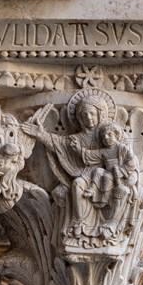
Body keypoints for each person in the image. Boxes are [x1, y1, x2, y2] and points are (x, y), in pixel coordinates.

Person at [21, 95, 109, 240]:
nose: (89, 117)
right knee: (77, 184)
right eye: (84, 114)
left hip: (103, 178)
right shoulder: (76, 139)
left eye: (92, 113)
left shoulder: (107, 134)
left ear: (100, 114)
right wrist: (40, 134)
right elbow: (58, 143)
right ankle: (80, 222)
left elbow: (120, 154)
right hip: (85, 176)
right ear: (80, 119)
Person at [73, 121, 139, 239]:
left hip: (121, 179)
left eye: (110, 135)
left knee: (119, 189)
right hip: (108, 175)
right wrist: (78, 149)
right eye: (104, 136)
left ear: (117, 135)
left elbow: (132, 162)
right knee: (98, 171)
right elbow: (90, 155)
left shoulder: (122, 148)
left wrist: (121, 171)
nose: (106, 138)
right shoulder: (104, 151)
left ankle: (113, 221)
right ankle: (93, 191)